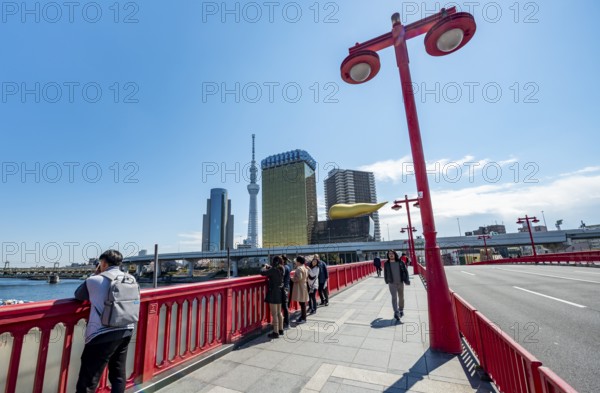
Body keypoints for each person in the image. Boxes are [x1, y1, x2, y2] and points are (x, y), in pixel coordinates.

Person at [74, 250, 138, 393]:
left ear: (103, 263)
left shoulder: (94, 281)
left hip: (101, 334)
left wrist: (94, 274)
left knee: (88, 380)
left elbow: (78, 295)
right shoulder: (131, 279)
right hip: (126, 329)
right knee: (118, 373)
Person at [260, 256, 285, 338]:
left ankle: (275, 332)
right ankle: (281, 330)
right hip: (280, 292)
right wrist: (269, 267)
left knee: (274, 313)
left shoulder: (273, 270)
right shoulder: (282, 269)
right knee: (279, 312)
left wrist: (263, 267)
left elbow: (262, 273)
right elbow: (274, 270)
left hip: (273, 292)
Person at [383, 249, 410, 321]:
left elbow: (406, 272)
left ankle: (401, 309)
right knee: (394, 297)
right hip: (391, 283)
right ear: (388, 255)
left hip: (400, 282)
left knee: (401, 297)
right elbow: (385, 273)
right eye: (389, 254)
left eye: (392, 253)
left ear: (395, 254)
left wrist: (407, 280)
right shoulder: (386, 263)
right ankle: (396, 312)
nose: (391, 255)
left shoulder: (400, 262)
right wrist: (386, 280)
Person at [291, 256, 309, 323]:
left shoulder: (299, 269)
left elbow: (299, 278)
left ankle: (303, 318)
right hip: (304, 285)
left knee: (302, 303)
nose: (295, 262)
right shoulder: (304, 267)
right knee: (303, 302)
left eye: (296, 261)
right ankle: (303, 317)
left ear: (298, 262)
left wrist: (292, 279)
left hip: (300, 286)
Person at [281, 254, 292, 328]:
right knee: (285, 305)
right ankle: (286, 321)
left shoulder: (283, 268)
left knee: (284, 306)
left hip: (283, 288)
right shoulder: (288, 267)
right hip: (287, 287)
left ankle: (287, 323)